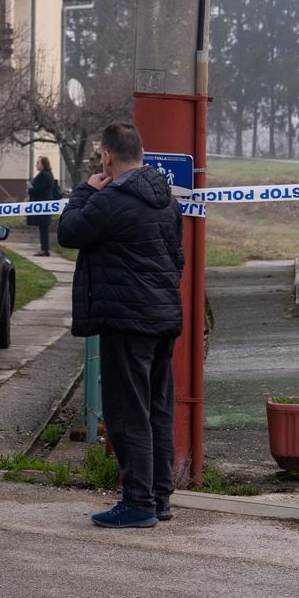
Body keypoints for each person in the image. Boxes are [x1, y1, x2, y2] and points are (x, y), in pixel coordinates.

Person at [56, 121, 185, 529]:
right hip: (163, 316)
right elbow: (176, 258)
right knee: (157, 409)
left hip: (126, 319)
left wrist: (83, 192)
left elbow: (69, 231)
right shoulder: (166, 199)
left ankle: (138, 503)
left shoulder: (111, 198)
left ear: (107, 157)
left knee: (127, 412)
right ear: (142, 153)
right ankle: (160, 496)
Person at [27, 156, 61, 256]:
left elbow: (38, 190)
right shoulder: (49, 175)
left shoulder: (43, 175)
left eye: (38, 163)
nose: (36, 165)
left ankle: (44, 249)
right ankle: (44, 249)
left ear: (43, 164)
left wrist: (29, 189)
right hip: (46, 204)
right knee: (43, 228)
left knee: (43, 228)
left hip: (42, 205)